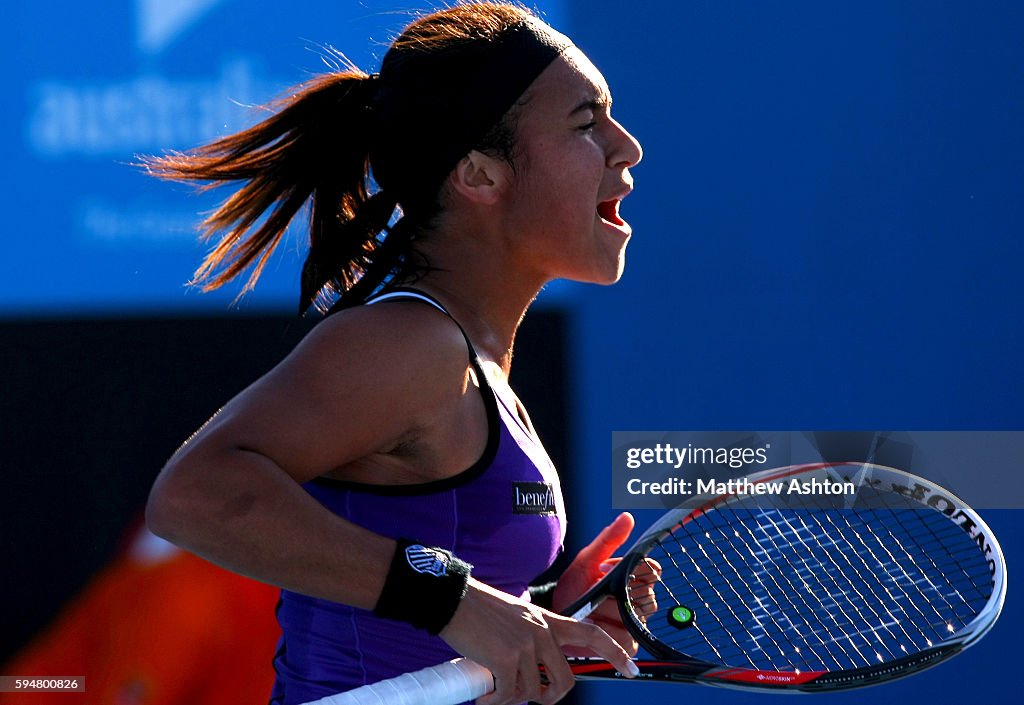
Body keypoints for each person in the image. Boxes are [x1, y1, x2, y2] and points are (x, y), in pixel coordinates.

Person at [143, 2, 645, 704]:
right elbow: (193, 496)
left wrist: (547, 615)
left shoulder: (476, 364)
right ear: (479, 174)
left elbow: (410, 619)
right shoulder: (411, 346)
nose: (627, 148)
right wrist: (459, 600)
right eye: (586, 124)